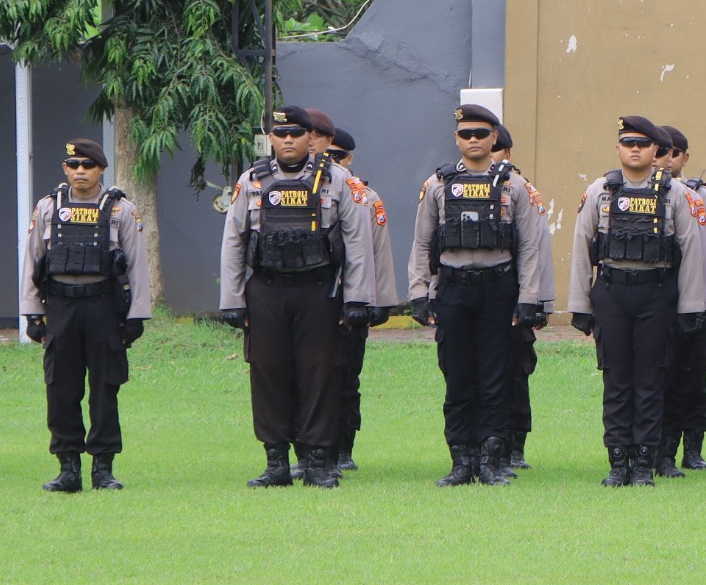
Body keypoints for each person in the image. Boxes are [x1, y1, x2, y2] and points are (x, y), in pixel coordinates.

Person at [220, 106, 374, 490]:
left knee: (320, 373)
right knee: (268, 372)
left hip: (319, 290)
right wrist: (232, 299)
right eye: (280, 133)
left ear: (312, 138)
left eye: (295, 133)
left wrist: (357, 299)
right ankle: (276, 461)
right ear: (270, 138)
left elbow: (357, 243)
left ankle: (318, 460)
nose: (287, 139)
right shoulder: (251, 180)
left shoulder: (339, 180)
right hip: (266, 290)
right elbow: (234, 241)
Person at [408, 104, 553, 487]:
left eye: (481, 134)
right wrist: (419, 293)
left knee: (496, 378)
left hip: (498, 289)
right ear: (456, 139)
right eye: (466, 134)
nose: (473, 140)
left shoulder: (514, 186)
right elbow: (422, 243)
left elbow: (530, 248)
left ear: (494, 138)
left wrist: (529, 298)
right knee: (457, 377)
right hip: (453, 289)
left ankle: (490, 459)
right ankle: (461, 461)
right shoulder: (438, 185)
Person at [567, 116, 706, 487]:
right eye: (628, 143)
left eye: (643, 144)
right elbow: (582, 247)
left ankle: (644, 463)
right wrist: (580, 305)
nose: (635, 149)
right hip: (612, 291)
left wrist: (691, 308)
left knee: (650, 380)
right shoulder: (600, 190)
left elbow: (693, 252)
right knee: (616, 381)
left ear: (655, 152)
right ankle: (618, 463)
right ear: (617, 148)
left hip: (656, 293)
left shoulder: (676, 194)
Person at [20, 139, 149, 492]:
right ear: (65, 168)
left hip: (104, 307)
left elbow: (137, 266)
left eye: (88, 165)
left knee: (105, 389)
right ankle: (68, 468)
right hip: (60, 307)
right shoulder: (48, 207)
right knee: (61, 387)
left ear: (101, 170)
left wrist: (136, 316)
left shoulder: (122, 210)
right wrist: (32, 313)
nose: (80, 172)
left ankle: (103, 469)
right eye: (74, 165)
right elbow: (33, 261)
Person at [320, 119, 401, 474]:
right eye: (327, 154)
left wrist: (380, 300)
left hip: (354, 298)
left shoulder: (365, 197)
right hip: (314, 293)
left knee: (346, 375)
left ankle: (343, 447)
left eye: (338, 156)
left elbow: (378, 251)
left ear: (349, 159)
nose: (332, 161)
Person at [658, 125, 706, 473]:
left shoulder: (704, 197)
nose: (666, 160)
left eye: (673, 153)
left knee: (693, 376)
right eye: (662, 151)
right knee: (659, 376)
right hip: (658, 298)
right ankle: (661, 450)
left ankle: (693, 448)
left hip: (695, 302)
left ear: (684, 157)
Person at [492, 126, 543, 469]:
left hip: (511, 294)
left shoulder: (522, 191)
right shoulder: (454, 186)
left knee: (514, 371)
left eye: (496, 149)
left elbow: (536, 248)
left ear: (507, 154)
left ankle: (515, 446)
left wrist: (535, 300)